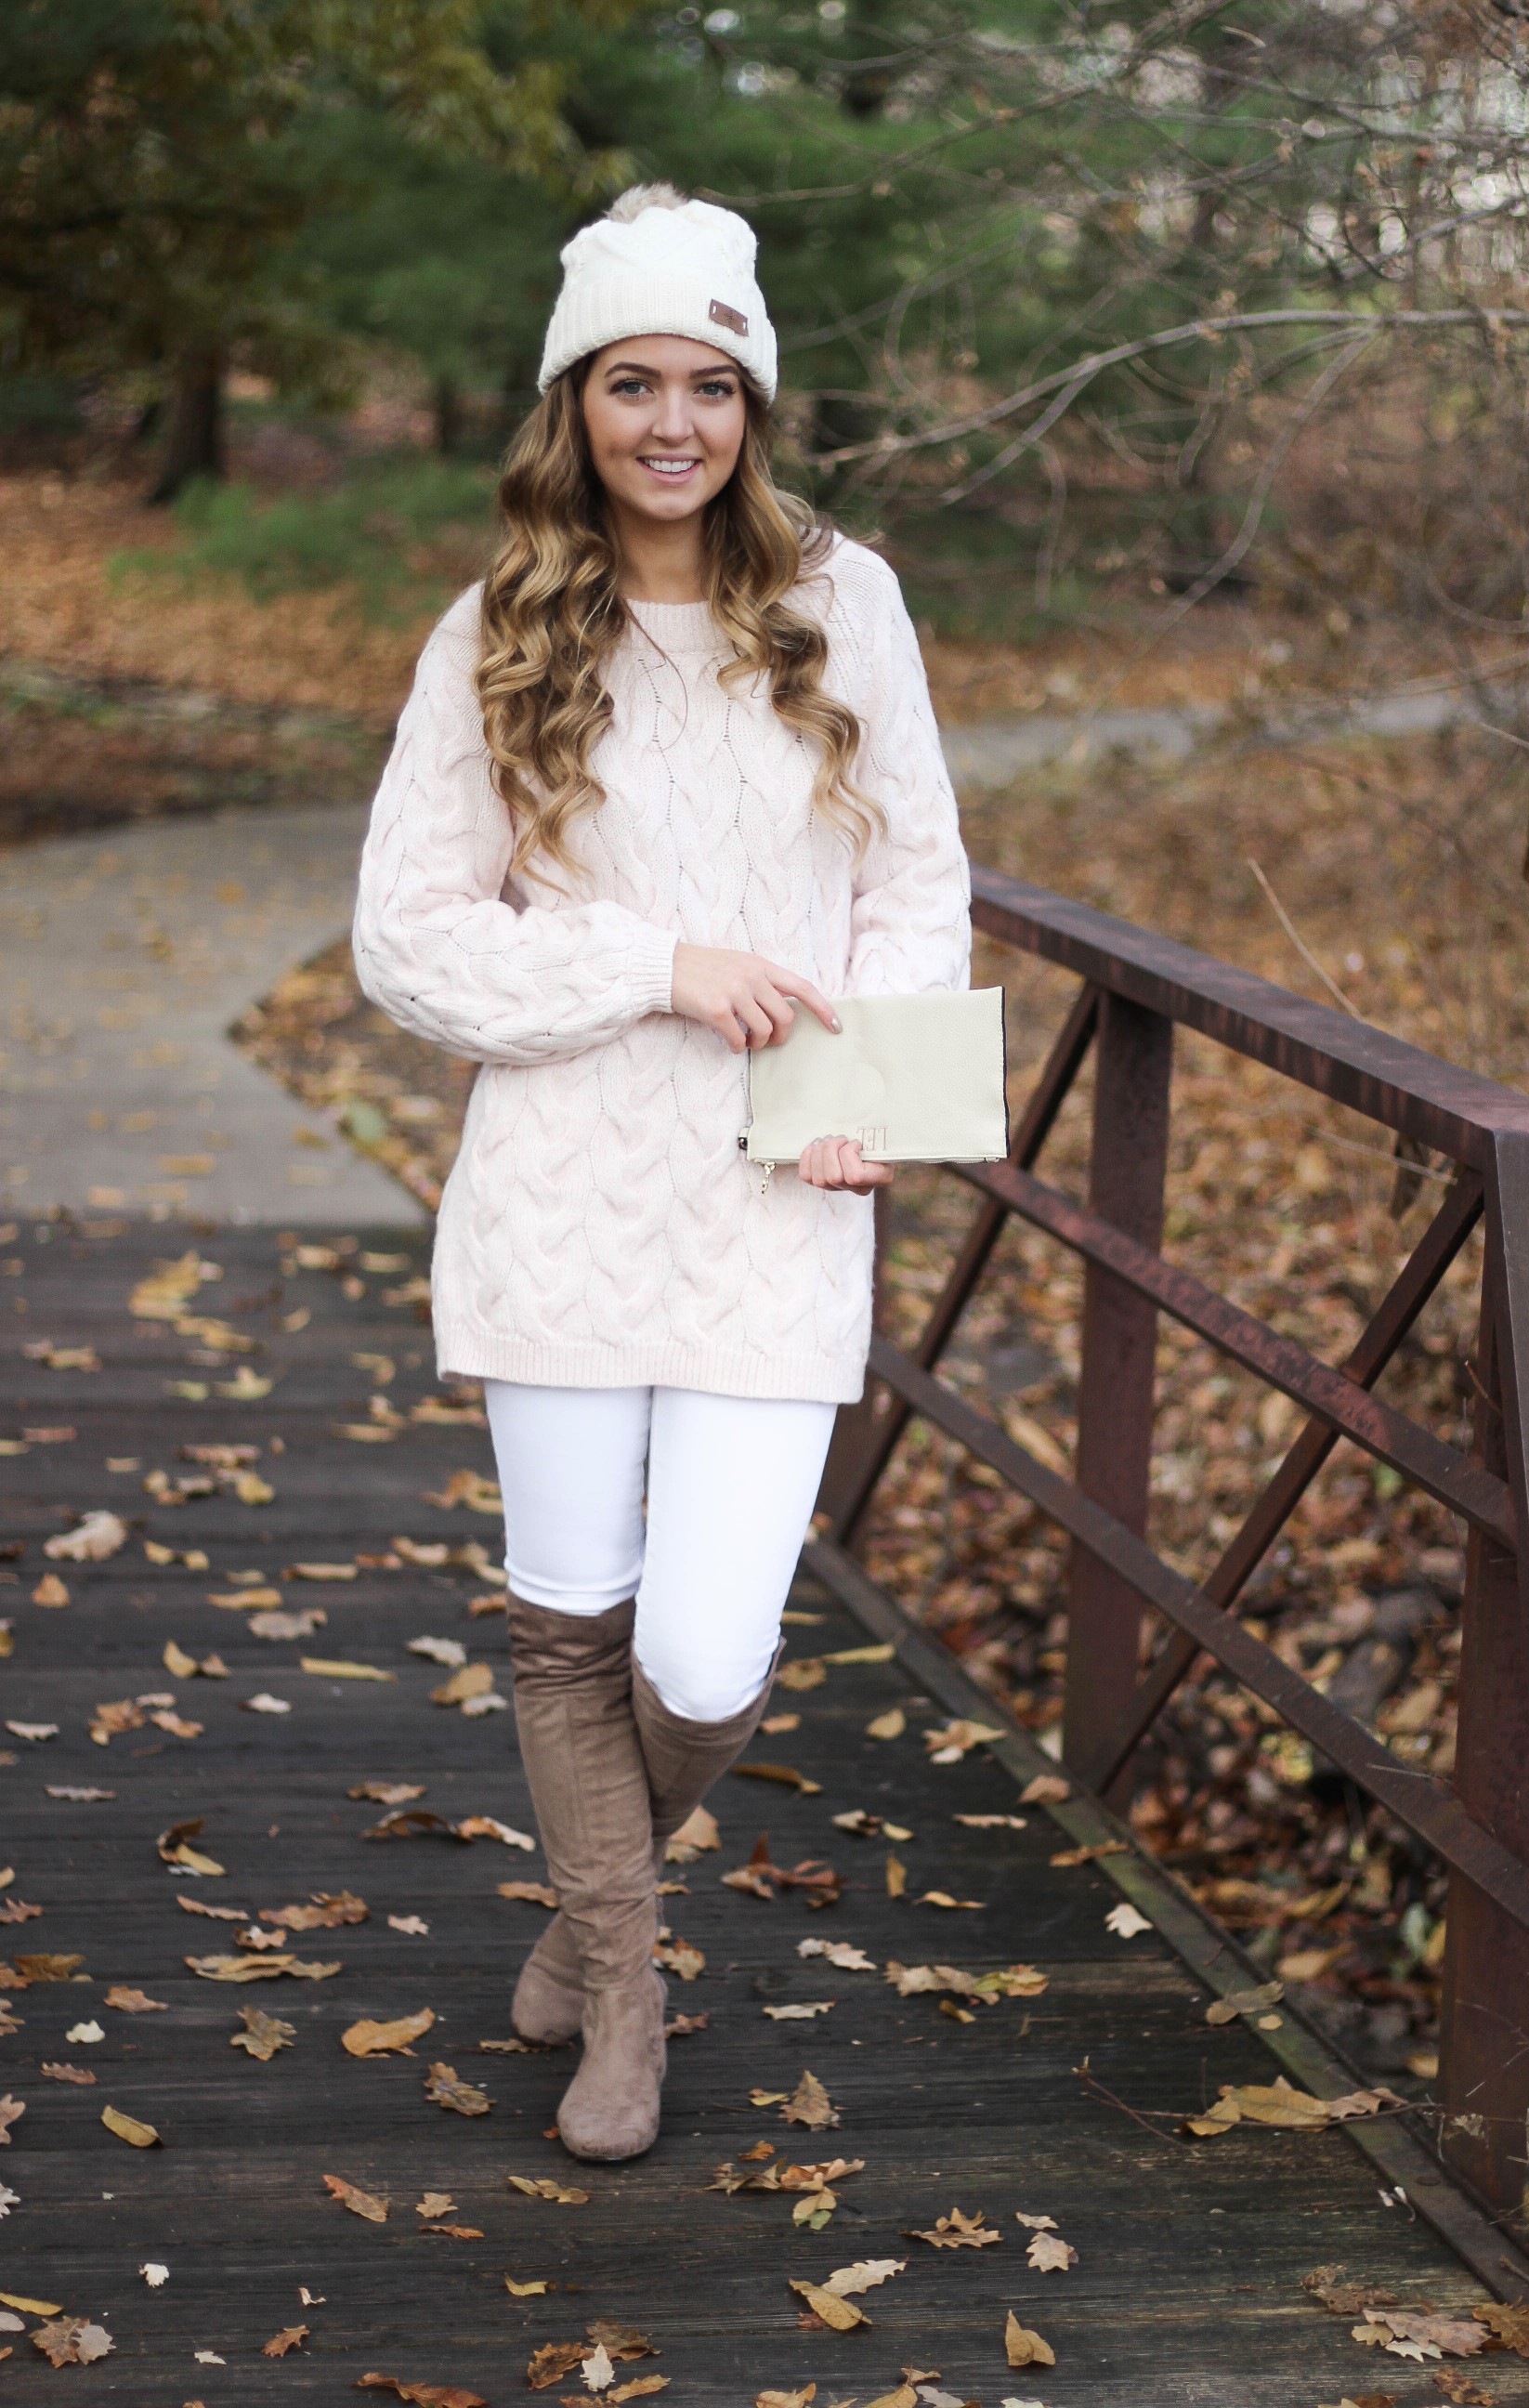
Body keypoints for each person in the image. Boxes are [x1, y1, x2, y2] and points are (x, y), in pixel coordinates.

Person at [353, 184, 971, 2162]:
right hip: (560, 1186)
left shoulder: (845, 603)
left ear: (754, 406)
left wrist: (873, 1081)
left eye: (711, 382)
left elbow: (916, 874)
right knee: (567, 1614)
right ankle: (622, 1987)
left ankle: (582, 1896)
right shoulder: (497, 631)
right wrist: (654, 964)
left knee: (711, 1649)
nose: (675, 421)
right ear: (577, 404)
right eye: (635, 381)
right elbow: (405, 937)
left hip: (784, 1189)